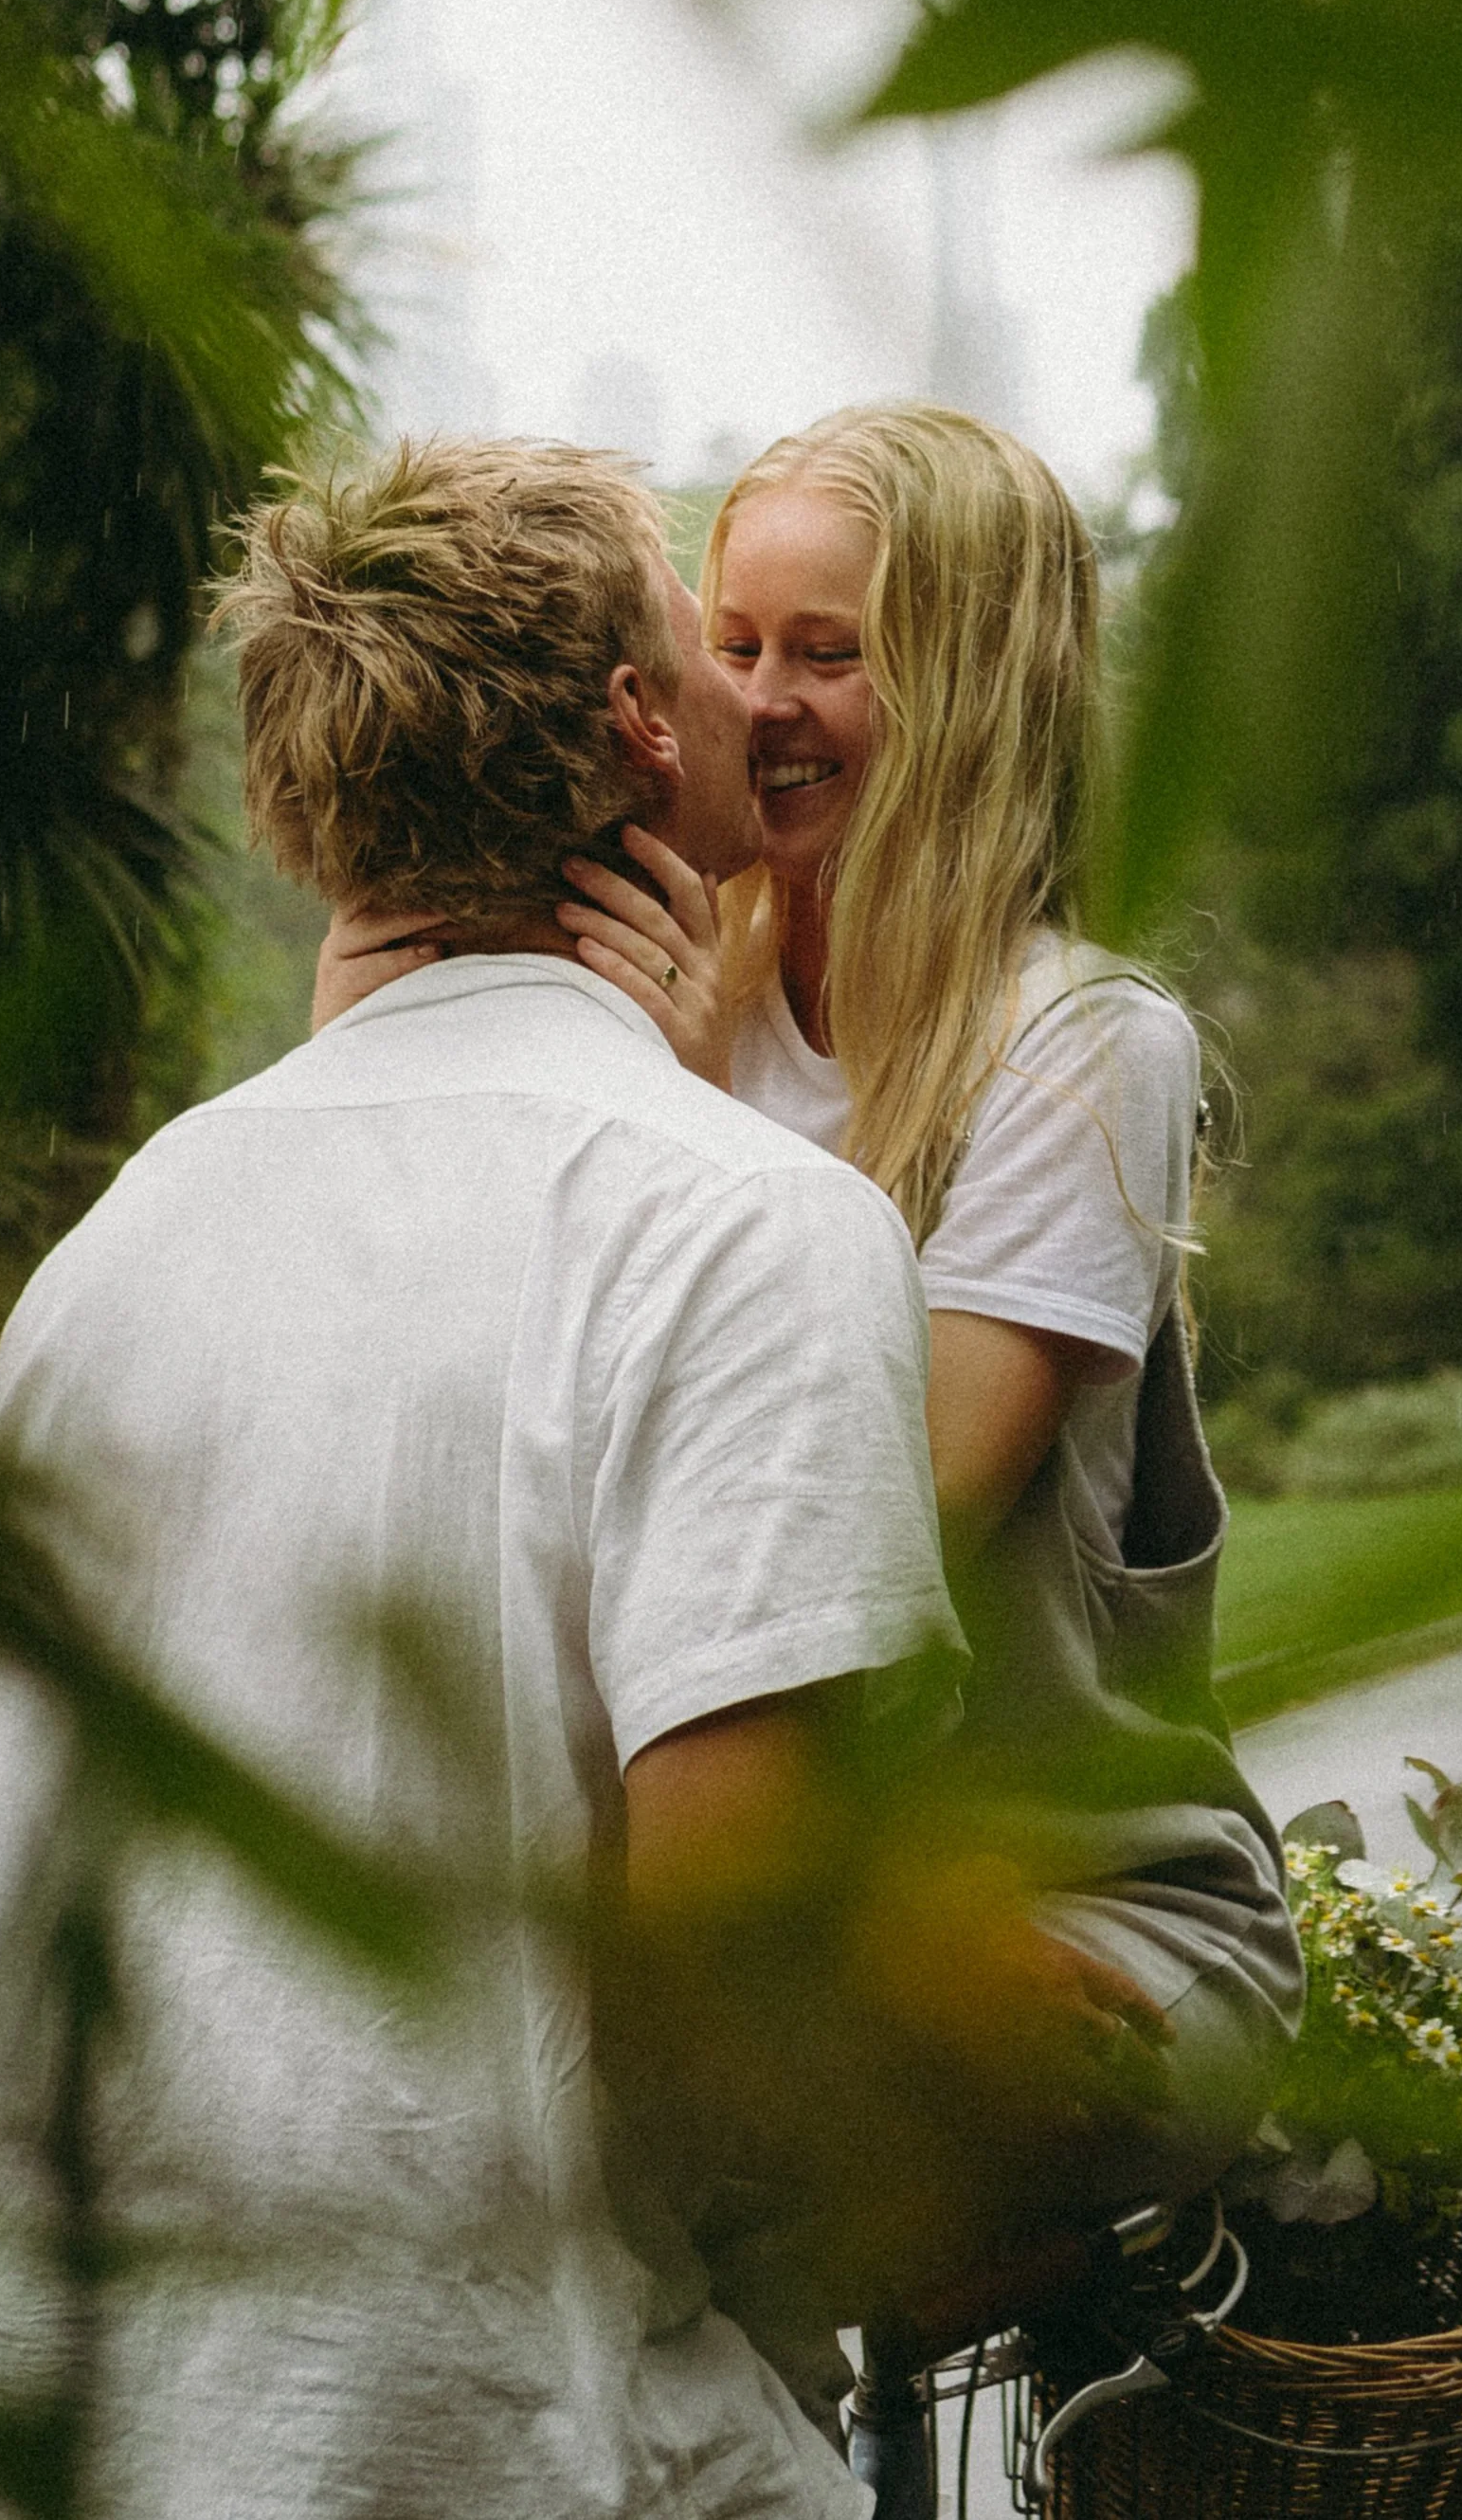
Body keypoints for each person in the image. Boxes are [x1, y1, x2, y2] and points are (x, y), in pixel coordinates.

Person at [0, 437, 1153, 2520]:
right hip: (467, 2433)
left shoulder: (115, 1242)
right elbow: (729, 1987)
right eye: (702, 639)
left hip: (3, 2429)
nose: (749, 693)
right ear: (641, 720)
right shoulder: (741, 1227)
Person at [317, 406, 1304, 2253]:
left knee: (696, 2107)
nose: (762, 701)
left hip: (1064, 1892)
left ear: (969, 686)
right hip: (728, 1873)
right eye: (736, 643)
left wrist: (678, 1120)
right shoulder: (654, 970)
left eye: (828, 653)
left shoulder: (1077, 1044)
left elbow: (859, 1532)